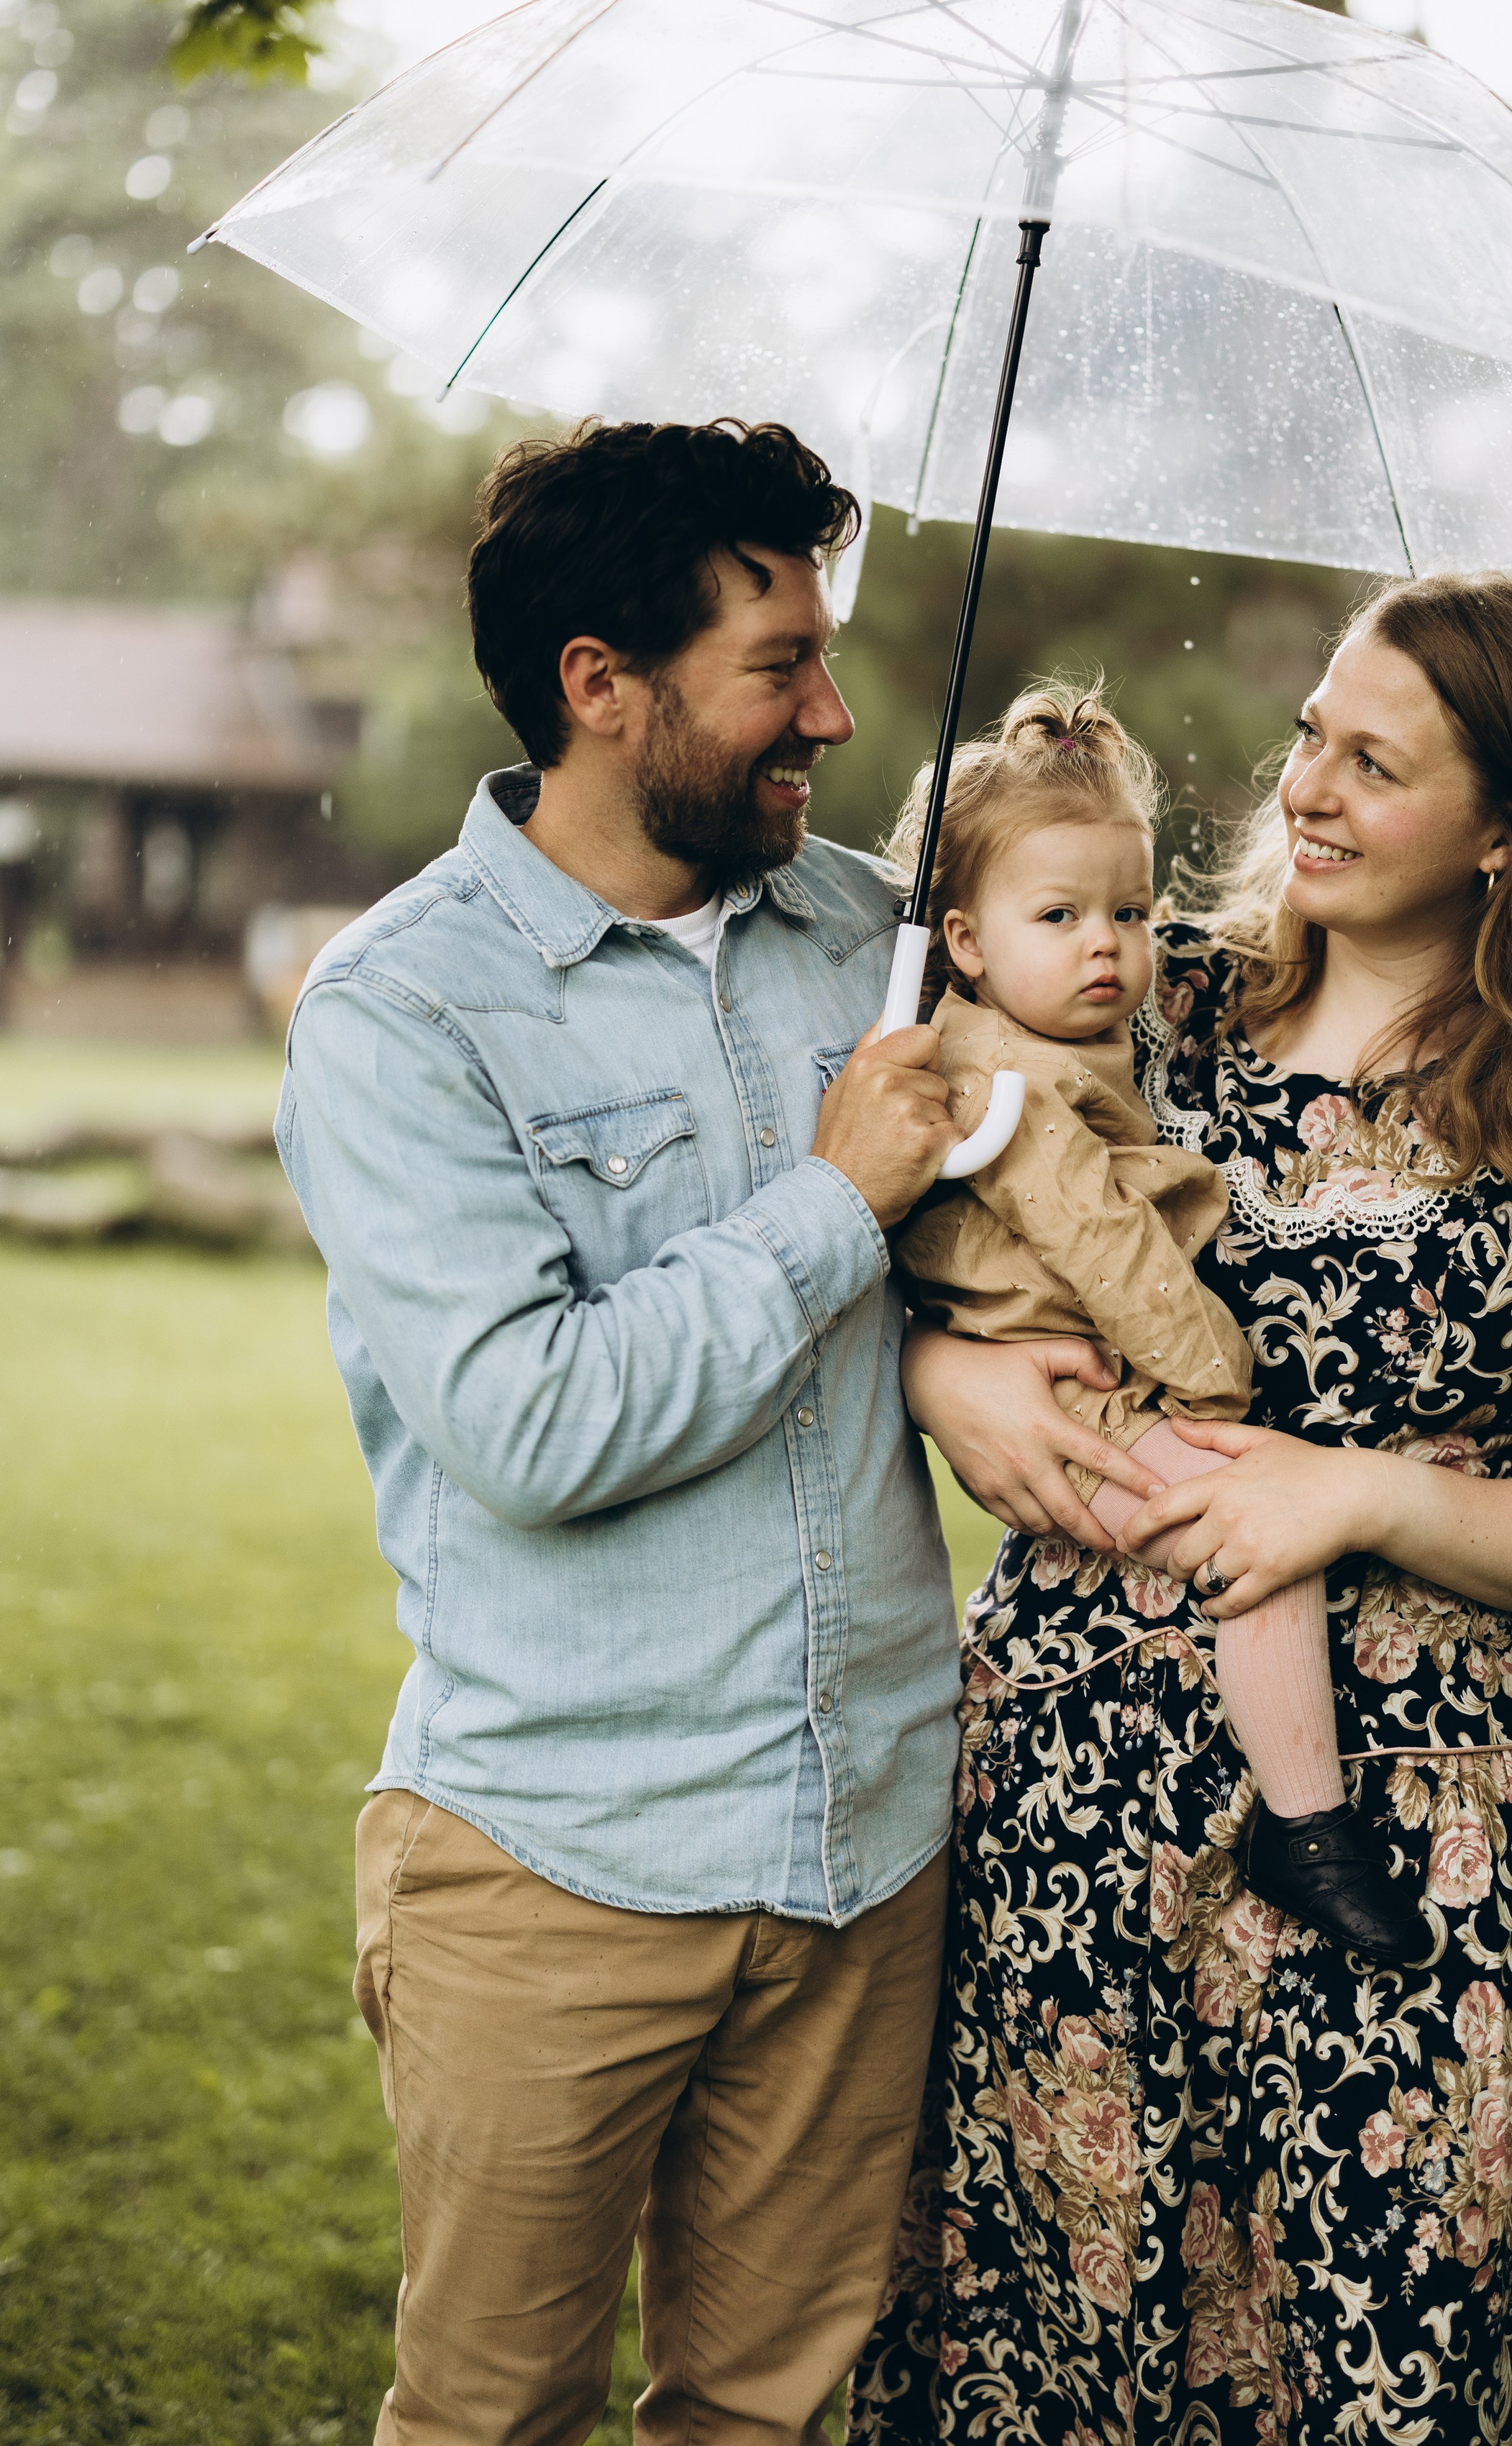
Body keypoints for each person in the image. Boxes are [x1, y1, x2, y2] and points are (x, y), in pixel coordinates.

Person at [278, 418, 1156, 2446]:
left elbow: (1003, 1225)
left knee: (762, 2418)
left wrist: (938, 1361)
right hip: (560, 1858)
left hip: (872, 1845)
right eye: (779, 666)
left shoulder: (878, 941)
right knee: (491, 2417)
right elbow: (533, 1420)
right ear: (602, 683)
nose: (833, 716)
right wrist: (835, 1198)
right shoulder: (404, 1011)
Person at [854, 573, 1512, 2446]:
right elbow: (914, 1203)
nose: (1307, 791)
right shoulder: (1147, 995)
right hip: (1075, 1796)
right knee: (1069, 2334)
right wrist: (940, 1375)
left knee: (1389, 2334)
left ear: (1510, 827)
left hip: (1408, 1824)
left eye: (1377, 763)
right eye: (1309, 738)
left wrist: (1357, 1495)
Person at [889, 681, 1426, 1966]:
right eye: (1061, 917)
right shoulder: (1007, 1081)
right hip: (1090, 1394)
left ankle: (1301, 1817)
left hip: (1084, 1375)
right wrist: (1216, 1379)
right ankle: (1307, 1821)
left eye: (1129, 913)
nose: (1110, 948)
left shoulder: (1042, 1037)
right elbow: (1107, 1246)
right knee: (1255, 1534)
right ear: (963, 941)